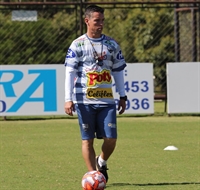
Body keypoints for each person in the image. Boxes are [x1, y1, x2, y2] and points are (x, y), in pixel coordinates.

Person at [64, 4, 127, 183]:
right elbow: (69, 73)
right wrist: (68, 99)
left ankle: (102, 161)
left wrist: (122, 96)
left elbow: (118, 72)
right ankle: (93, 175)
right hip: (84, 101)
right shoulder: (78, 45)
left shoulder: (111, 45)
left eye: (102, 21)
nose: (100, 24)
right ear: (87, 21)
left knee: (111, 139)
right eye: (96, 20)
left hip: (107, 101)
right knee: (87, 140)